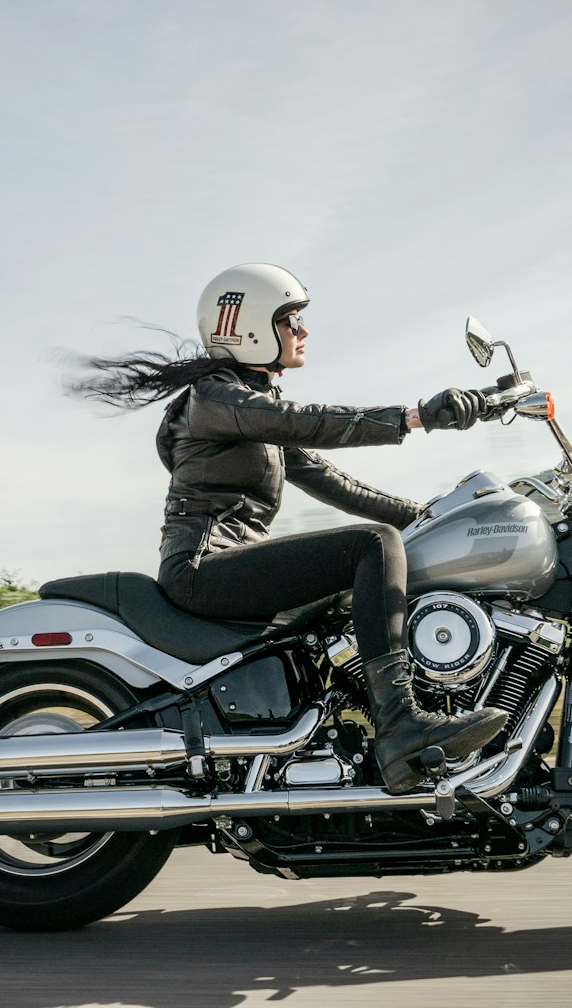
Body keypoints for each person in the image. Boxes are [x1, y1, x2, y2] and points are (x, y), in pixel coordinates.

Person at [75, 263, 506, 792]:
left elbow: (335, 483)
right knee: (372, 546)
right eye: (290, 320)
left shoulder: (251, 408)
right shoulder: (216, 398)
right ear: (250, 328)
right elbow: (307, 421)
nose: (303, 331)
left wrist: (431, 516)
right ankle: (400, 727)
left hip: (230, 563)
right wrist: (414, 416)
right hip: (203, 568)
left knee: (374, 561)